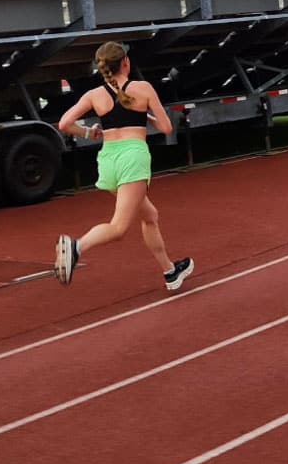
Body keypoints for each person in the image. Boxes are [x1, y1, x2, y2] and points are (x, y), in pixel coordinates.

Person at [54, 41, 194, 291]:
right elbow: (167, 128)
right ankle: (76, 247)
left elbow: (64, 124)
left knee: (150, 216)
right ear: (126, 62)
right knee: (119, 227)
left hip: (108, 159)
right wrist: (145, 115)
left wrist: (88, 132)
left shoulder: (94, 95)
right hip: (133, 157)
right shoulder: (143, 88)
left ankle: (170, 272)